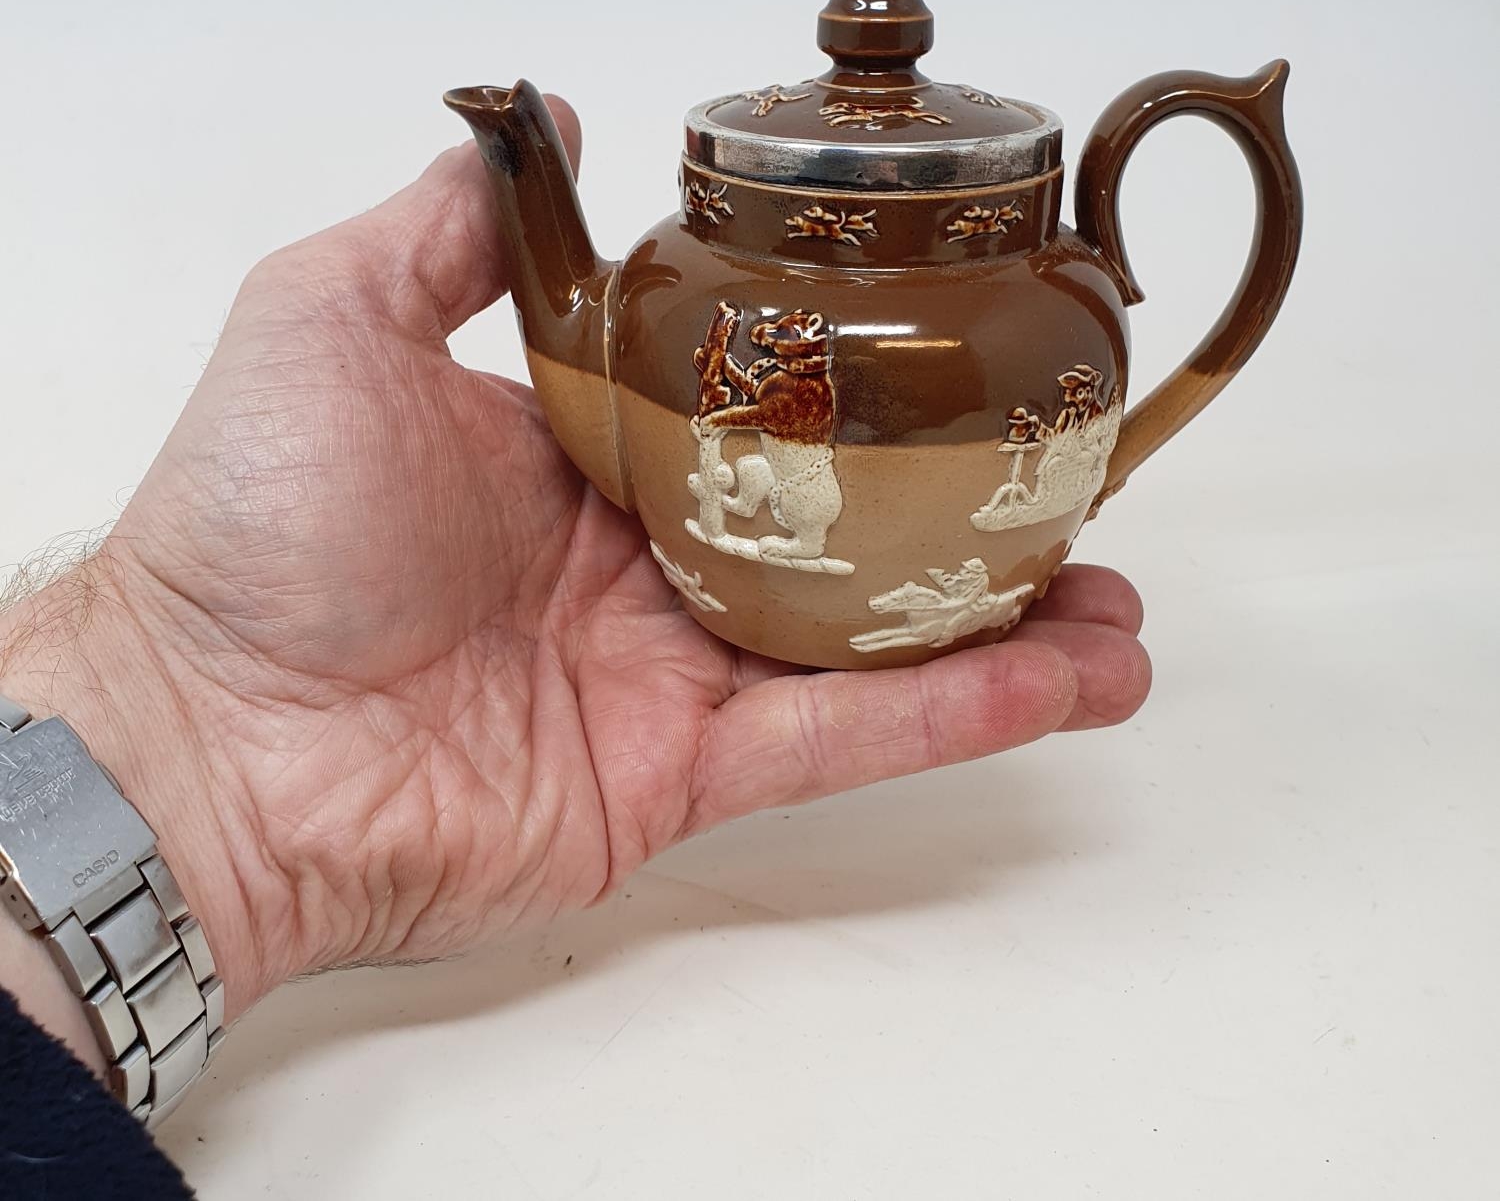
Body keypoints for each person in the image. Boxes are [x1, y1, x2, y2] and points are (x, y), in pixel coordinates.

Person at [0, 102, 1151, 1196]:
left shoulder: (1022, 293)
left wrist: (187, 752)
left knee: (785, 497)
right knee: (755, 488)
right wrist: (188, 687)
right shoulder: (691, 287)